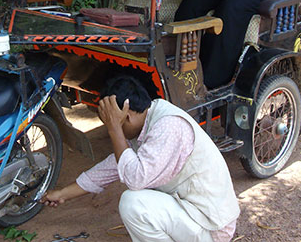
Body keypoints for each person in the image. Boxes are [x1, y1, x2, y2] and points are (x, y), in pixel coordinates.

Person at [43, 76, 239, 242]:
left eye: (111, 124)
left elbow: (135, 178)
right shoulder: (150, 119)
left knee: (133, 203)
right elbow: (113, 166)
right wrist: (62, 194)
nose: (109, 130)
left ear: (126, 117)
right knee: (136, 191)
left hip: (211, 229)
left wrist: (114, 130)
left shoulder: (168, 127)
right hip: (194, 215)